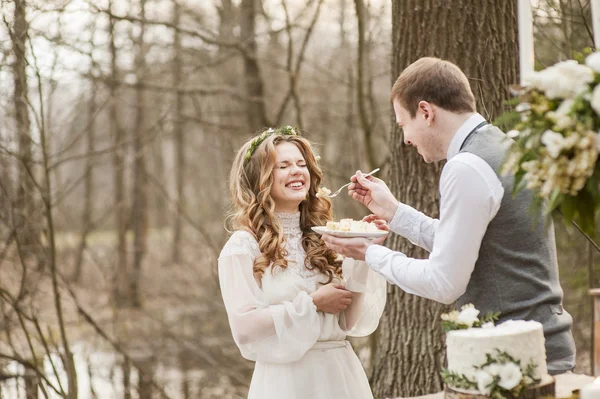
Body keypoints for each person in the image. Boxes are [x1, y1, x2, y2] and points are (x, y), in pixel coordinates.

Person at [321, 57, 576, 374]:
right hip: (544, 347)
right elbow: (475, 243)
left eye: (404, 124)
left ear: (426, 112)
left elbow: (443, 282)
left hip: (517, 363)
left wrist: (370, 252)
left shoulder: (465, 167)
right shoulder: (504, 146)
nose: (406, 139)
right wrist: (395, 212)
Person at [218, 126, 387, 399]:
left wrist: (363, 254)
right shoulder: (243, 246)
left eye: (301, 164)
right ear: (259, 179)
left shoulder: (329, 236)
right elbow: (244, 328)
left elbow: (349, 322)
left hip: (340, 375)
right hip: (285, 381)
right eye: (282, 166)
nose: (297, 171)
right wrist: (312, 304)